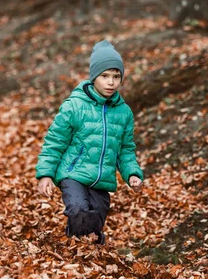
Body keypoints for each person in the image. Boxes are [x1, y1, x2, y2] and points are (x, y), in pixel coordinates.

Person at [36, 40, 144, 245]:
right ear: (94, 77)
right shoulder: (74, 106)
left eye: (116, 77)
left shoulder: (124, 113)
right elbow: (55, 142)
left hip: (102, 181)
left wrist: (132, 174)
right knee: (78, 209)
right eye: (105, 76)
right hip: (73, 174)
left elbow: (125, 150)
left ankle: (85, 249)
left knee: (95, 221)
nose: (111, 82)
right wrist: (46, 175)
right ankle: (77, 255)